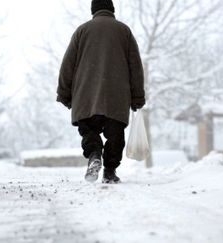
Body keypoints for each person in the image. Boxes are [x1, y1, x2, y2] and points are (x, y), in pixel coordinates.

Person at [56, 0, 145, 184]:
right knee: (115, 134)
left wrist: (64, 93)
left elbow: (68, 65)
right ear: (112, 9)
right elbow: (135, 66)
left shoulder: (82, 31)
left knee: (89, 130)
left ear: (93, 11)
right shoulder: (124, 31)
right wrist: (137, 97)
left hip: (86, 96)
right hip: (116, 96)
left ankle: (94, 154)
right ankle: (110, 171)